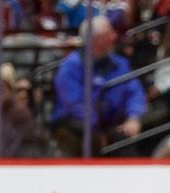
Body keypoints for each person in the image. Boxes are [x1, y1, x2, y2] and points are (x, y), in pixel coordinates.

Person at [51, 15, 148, 157]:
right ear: (97, 40)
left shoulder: (120, 63)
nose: (115, 36)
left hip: (111, 121)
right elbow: (75, 104)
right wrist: (96, 127)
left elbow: (134, 91)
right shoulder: (71, 66)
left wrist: (133, 116)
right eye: (110, 33)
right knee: (90, 138)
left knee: (128, 138)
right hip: (77, 123)